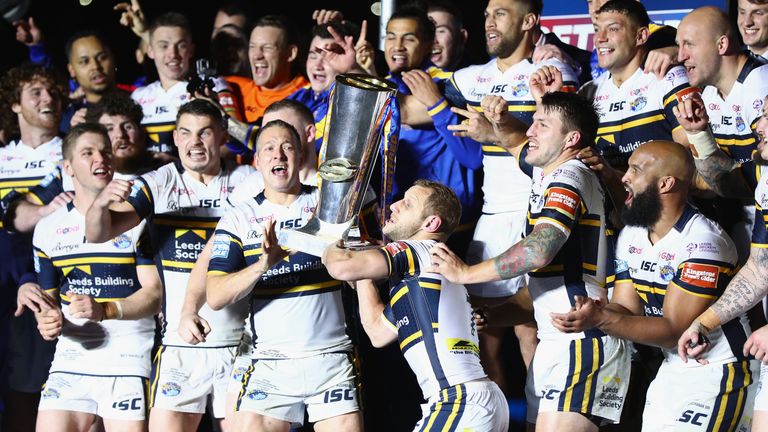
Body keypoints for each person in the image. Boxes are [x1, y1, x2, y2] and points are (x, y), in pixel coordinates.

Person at [430, 91, 630, 431]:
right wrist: (494, 313)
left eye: (541, 124)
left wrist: (465, 273)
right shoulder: (549, 179)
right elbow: (537, 291)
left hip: (582, 342)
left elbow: (539, 250)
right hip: (556, 344)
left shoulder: (570, 175)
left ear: (572, 139)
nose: (531, 131)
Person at [551, 140, 756, 431]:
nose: (624, 177)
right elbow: (628, 307)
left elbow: (674, 330)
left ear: (666, 183)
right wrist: (596, 311)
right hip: (672, 369)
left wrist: (604, 319)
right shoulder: (632, 235)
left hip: (719, 371)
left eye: (635, 169)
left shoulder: (703, 242)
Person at [84, 99, 254, 431]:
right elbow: (99, 232)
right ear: (175, 138)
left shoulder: (248, 179)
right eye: (187, 133)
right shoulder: (160, 182)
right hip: (180, 345)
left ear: (221, 136)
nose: (195, 142)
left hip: (242, 344)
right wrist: (101, 203)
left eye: (205, 133)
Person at [443, 0, 579, 383]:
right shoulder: (470, 78)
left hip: (539, 211)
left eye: (500, 13)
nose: (489, 21)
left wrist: (499, 131)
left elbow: (564, 140)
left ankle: (540, 418)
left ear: (529, 21)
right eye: (486, 13)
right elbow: (417, 108)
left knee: (531, 329)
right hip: (492, 216)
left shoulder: (551, 70)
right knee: (482, 330)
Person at [207, 120, 362, 432]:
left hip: (331, 359)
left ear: (300, 156)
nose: (278, 155)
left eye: (287, 147)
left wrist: (342, 253)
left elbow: (361, 278)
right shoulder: (238, 218)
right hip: (269, 363)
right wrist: (262, 265)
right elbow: (215, 296)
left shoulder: (330, 206)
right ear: (257, 162)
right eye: (269, 149)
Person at [323, 179, 509, 432]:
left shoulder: (419, 250)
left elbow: (341, 266)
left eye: (407, 204)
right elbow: (377, 332)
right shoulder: (423, 272)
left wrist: (331, 239)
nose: (395, 206)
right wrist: (364, 269)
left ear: (430, 223)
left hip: (458, 400)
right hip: (470, 400)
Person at [32, 123, 162, 432]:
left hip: (128, 359)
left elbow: (155, 295)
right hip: (71, 359)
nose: (99, 159)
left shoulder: (135, 219)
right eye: (87, 153)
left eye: (105, 152)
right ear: (68, 167)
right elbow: (50, 302)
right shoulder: (47, 228)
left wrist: (104, 309)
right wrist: (46, 319)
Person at [675, 90, 768, 430]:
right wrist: (705, 322)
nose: (758, 124)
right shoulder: (766, 179)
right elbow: (760, 269)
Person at [383, 4, 483, 258]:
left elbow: (473, 157)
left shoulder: (452, 85)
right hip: (401, 223)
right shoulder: (384, 85)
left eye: (409, 38)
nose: (398, 46)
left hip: (449, 229)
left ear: (429, 45)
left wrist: (437, 106)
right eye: (391, 36)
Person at [0, 63, 65, 432]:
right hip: (6, 288)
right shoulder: (2, 157)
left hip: (49, 286)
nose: (48, 100)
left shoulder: (72, 153)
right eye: (36, 93)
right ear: (14, 105)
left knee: (42, 390)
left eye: (54, 93)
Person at [676, 6, 768, 262]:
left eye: (689, 45)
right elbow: (724, 182)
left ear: (722, 44)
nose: (680, 56)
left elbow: (744, 185)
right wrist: (698, 135)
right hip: (740, 224)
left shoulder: (761, 85)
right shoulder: (708, 95)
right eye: (678, 45)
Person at [7, 92, 169, 234]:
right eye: (109, 128)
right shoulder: (73, 172)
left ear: (141, 133)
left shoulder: (162, 170)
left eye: (127, 126)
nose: (120, 135)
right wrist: (46, 211)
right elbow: (14, 216)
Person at [586, 0, 694, 211]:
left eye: (613, 29)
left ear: (641, 36)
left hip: (665, 212)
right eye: (597, 30)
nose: (600, 39)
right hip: (611, 216)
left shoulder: (668, 77)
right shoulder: (588, 91)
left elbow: (690, 158)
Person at [131, 12, 239, 155]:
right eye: (164, 46)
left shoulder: (213, 86)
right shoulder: (138, 96)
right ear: (150, 51)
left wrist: (180, 167)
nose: (173, 54)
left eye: (180, 46)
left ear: (191, 49)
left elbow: (234, 144)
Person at [226, 15, 309, 124]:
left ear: (291, 53)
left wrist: (226, 106)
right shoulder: (231, 86)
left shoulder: (307, 96)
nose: (256, 55)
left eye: (267, 47)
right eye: (252, 46)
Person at [60, 30, 119, 133]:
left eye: (102, 57)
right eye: (84, 62)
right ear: (72, 70)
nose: (95, 66)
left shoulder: (141, 101)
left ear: (113, 59)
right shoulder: (67, 120)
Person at [427, 1, 472, 71]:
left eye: (441, 31)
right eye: (427, 32)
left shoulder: (480, 76)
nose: (433, 40)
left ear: (462, 37)